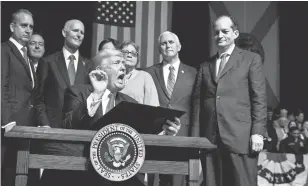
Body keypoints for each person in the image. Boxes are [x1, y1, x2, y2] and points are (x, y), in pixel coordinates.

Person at [39, 49, 181, 186]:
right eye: (117, 63)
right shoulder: (78, 92)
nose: (123, 68)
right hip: (81, 173)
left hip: (116, 176)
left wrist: (166, 132)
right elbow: (68, 126)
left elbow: (141, 143)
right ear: (100, 70)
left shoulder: (131, 103)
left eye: (124, 64)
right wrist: (96, 95)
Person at [192, 15, 267, 186]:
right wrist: (195, 139)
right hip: (210, 139)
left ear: (235, 33)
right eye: (216, 32)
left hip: (240, 137)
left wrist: (258, 132)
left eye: (225, 31)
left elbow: (259, 98)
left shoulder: (251, 59)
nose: (220, 36)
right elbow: (197, 104)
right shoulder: (205, 66)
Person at [145, 31, 197, 186]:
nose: (168, 45)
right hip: (156, 134)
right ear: (159, 49)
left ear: (179, 46)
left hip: (183, 136)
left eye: (171, 42)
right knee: (153, 178)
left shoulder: (193, 73)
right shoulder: (148, 73)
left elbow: (196, 107)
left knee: (178, 180)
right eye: (163, 43)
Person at [1, 9, 36, 186]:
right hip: (7, 128)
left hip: (24, 129)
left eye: (31, 26)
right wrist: (6, 121)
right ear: (12, 26)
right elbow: (1, 86)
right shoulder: (4, 50)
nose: (28, 30)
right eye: (24, 25)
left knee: (17, 177)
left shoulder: (27, 56)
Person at [35, 19, 90, 128]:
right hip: (52, 129)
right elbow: (38, 98)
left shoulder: (88, 65)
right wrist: (45, 124)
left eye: (82, 32)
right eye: (75, 30)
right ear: (64, 33)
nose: (79, 35)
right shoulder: (48, 62)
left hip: (79, 131)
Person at [120, 41, 159, 106]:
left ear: (137, 58)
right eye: (125, 52)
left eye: (134, 53)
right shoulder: (113, 77)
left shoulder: (145, 77)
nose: (129, 55)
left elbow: (153, 106)